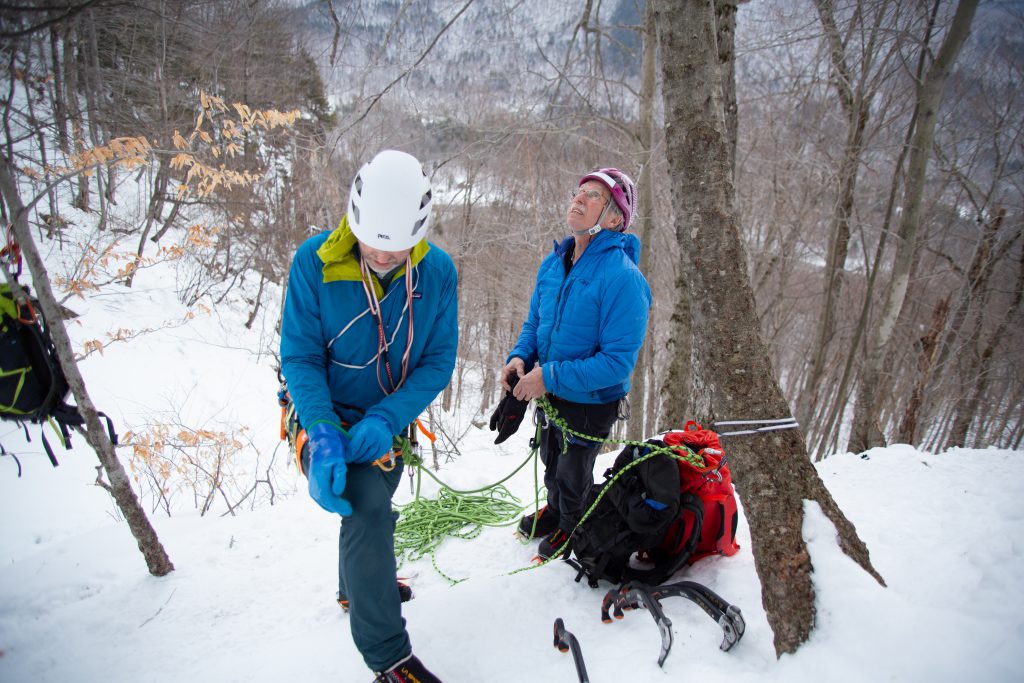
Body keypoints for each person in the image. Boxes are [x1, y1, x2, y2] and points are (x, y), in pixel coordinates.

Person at [280, 150, 456, 683]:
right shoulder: (313, 262)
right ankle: (388, 657)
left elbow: (436, 362)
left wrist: (385, 419)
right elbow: (301, 357)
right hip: (321, 414)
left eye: (396, 247)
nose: (383, 256)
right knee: (369, 509)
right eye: (374, 244)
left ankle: (355, 587)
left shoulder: (437, 273)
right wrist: (322, 429)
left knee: (369, 508)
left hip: (387, 419)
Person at [499, 167, 652, 561]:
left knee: (573, 471)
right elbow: (536, 324)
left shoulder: (624, 279)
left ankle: (572, 524)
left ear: (616, 219)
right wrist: (519, 357)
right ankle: (557, 510)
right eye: (580, 190)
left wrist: (547, 377)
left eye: (596, 195)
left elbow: (617, 364)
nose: (580, 198)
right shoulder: (554, 264)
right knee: (551, 458)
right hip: (548, 387)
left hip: (591, 398)